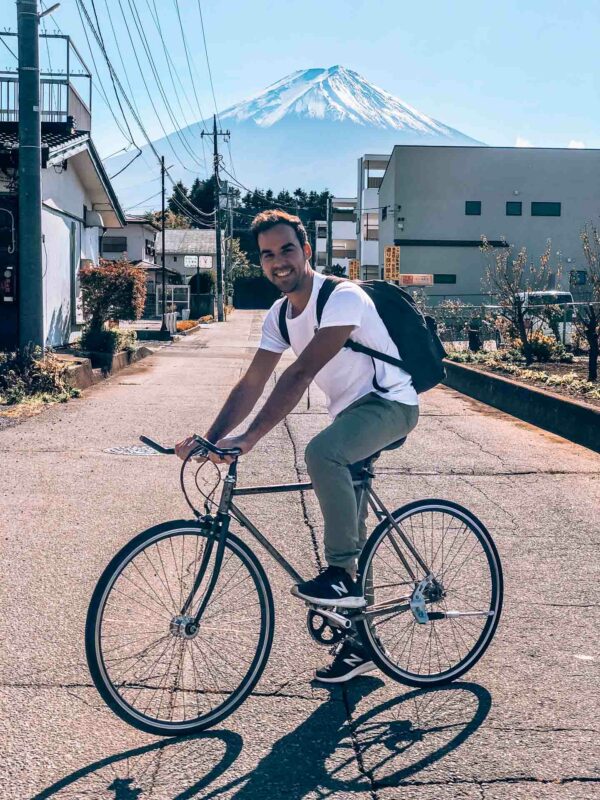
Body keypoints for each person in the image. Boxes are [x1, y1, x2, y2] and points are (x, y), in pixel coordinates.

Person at [176, 209, 419, 683]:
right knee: (351, 519)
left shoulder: (341, 296)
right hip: (351, 414)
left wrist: (248, 438)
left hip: (390, 404)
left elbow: (300, 372)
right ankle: (361, 641)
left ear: (307, 251)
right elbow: (252, 381)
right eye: (267, 255)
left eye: (287, 249)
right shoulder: (279, 316)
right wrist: (212, 435)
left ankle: (342, 576)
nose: (278, 261)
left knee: (321, 453)